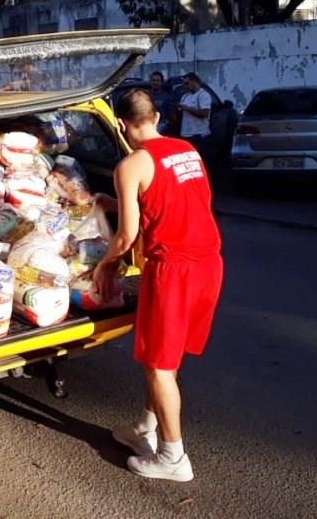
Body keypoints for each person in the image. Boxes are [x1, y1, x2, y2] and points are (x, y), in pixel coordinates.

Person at [93, 89, 223, 482]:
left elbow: (127, 235)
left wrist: (104, 265)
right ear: (157, 117)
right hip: (209, 262)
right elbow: (175, 197)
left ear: (120, 124)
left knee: (159, 365)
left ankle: (173, 457)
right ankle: (144, 429)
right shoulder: (187, 150)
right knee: (167, 357)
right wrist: (112, 202)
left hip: (174, 269)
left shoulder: (131, 164)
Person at [177, 72, 212, 161]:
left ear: (194, 82)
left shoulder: (203, 95)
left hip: (199, 135)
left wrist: (187, 109)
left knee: (200, 160)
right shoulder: (185, 96)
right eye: (184, 84)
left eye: (187, 83)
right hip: (186, 135)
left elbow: (204, 113)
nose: (185, 86)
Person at [148, 71, 175, 135]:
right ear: (150, 82)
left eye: (157, 80)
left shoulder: (167, 97)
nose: (155, 82)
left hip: (163, 129)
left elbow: (171, 116)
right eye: (153, 80)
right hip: (147, 127)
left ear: (161, 83)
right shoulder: (145, 95)